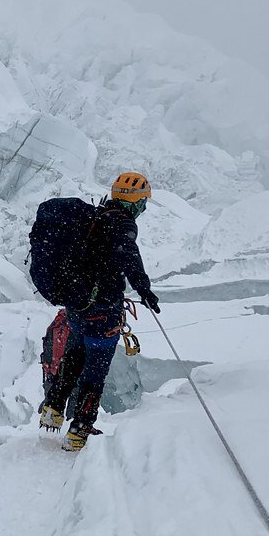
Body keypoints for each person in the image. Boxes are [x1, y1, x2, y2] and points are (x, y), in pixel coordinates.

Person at [38, 172, 160, 452]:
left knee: (73, 357)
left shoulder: (97, 217)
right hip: (103, 314)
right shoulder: (122, 224)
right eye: (143, 201)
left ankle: (53, 410)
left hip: (78, 308)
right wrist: (144, 289)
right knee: (95, 373)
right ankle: (79, 432)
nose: (144, 207)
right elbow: (129, 255)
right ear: (134, 201)